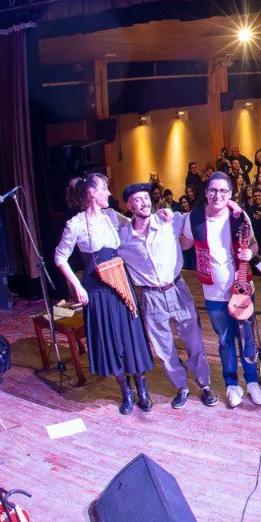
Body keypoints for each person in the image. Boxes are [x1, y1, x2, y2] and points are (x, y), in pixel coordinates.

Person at [53, 173, 156, 414]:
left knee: (130, 334)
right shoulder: (76, 224)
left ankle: (141, 385)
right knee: (110, 338)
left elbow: (138, 223)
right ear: (92, 194)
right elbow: (60, 257)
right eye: (105, 189)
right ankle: (125, 390)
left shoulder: (112, 217)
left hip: (120, 282)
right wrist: (77, 287)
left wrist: (158, 215)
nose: (109, 193)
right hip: (96, 289)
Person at [116, 182, 217, 409]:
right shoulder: (123, 237)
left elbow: (198, 215)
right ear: (129, 206)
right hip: (151, 297)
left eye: (146, 198)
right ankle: (182, 387)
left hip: (177, 289)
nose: (145, 202)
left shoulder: (167, 221)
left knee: (194, 342)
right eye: (138, 200)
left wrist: (227, 203)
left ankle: (205, 385)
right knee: (164, 349)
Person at [179, 172, 261, 408]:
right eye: (213, 190)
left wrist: (251, 252)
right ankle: (231, 385)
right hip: (213, 292)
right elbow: (184, 244)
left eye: (223, 191)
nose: (218, 195)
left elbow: (254, 244)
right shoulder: (193, 218)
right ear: (206, 193)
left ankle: (252, 382)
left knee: (246, 337)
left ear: (230, 194)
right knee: (225, 340)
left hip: (242, 287)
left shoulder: (239, 215)